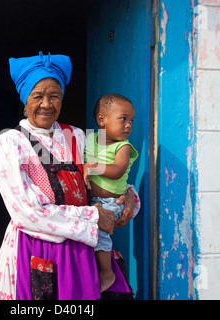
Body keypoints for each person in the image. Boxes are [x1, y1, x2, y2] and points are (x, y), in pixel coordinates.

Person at [0, 52, 140, 300]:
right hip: (37, 253)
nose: (47, 104)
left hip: (84, 253)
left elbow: (107, 176)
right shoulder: (11, 142)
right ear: (24, 97)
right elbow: (26, 211)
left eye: (55, 96)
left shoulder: (79, 135)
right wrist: (94, 215)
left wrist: (127, 196)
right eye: (37, 95)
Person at [83, 93, 139, 292]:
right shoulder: (90, 140)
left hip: (112, 202)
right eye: (123, 118)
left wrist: (92, 166)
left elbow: (117, 171)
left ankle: (107, 272)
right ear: (101, 119)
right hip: (92, 201)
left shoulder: (123, 146)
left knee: (100, 232)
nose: (128, 125)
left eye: (131, 120)